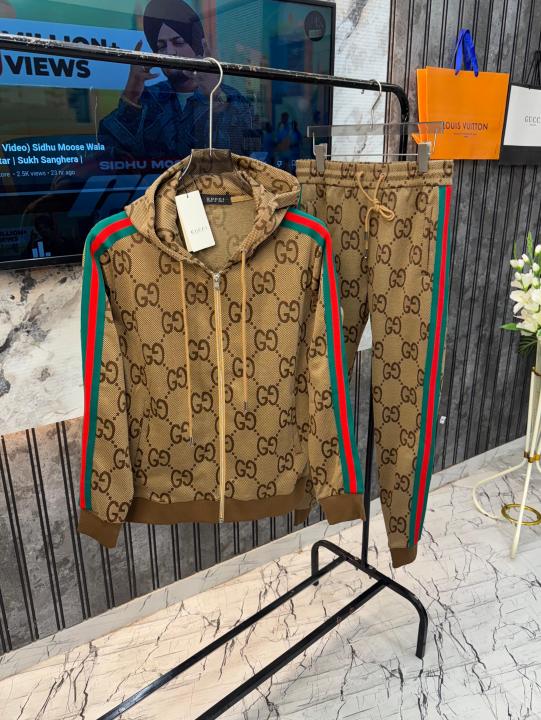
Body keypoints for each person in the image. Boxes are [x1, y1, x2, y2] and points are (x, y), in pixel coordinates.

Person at [98, 0, 253, 160]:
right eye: (161, 46)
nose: (170, 52)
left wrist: (214, 96)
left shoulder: (231, 98)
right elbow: (108, 150)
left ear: (198, 46)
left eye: (178, 42)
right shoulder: (148, 98)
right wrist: (132, 93)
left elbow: (243, 154)